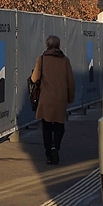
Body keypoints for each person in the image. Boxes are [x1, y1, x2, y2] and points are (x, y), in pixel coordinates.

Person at [31, 35, 75, 165]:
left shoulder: (42, 59)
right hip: (60, 98)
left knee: (47, 126)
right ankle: (56, 146)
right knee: (59, 125)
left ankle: (48, 152)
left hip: (46, 98)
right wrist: (70, 97)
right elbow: (71, 81)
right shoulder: (65, 61)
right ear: (59, 46)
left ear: (47, 46)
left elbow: (34, 79)